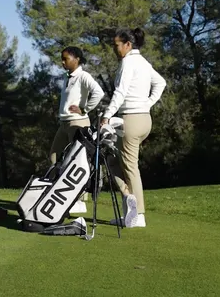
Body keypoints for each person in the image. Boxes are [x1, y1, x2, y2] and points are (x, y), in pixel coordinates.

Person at [101, 27, 166, 229]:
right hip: (144, 119)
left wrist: (107, 115)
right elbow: (161, 83)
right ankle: (129, 211)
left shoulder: (128, 62)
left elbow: (120, 92)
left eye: (117, 45)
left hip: (131, 120)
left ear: (128, 44)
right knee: (113, 160)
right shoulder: (144, 62)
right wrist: (148, 104)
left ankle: (138, 215)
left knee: (130, 167)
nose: (115, 49)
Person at [49, 46, 104, 214]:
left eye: (65, 59)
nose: (62, 62)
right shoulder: (68, 77)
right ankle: (56, 193)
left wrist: (84, 109)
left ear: (77, 59)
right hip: (64, 124)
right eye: (62, 59)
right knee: (54, 156)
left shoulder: (83, 76)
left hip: (78, 123)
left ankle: (79, 201)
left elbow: (98, 93)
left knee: (77, 162)